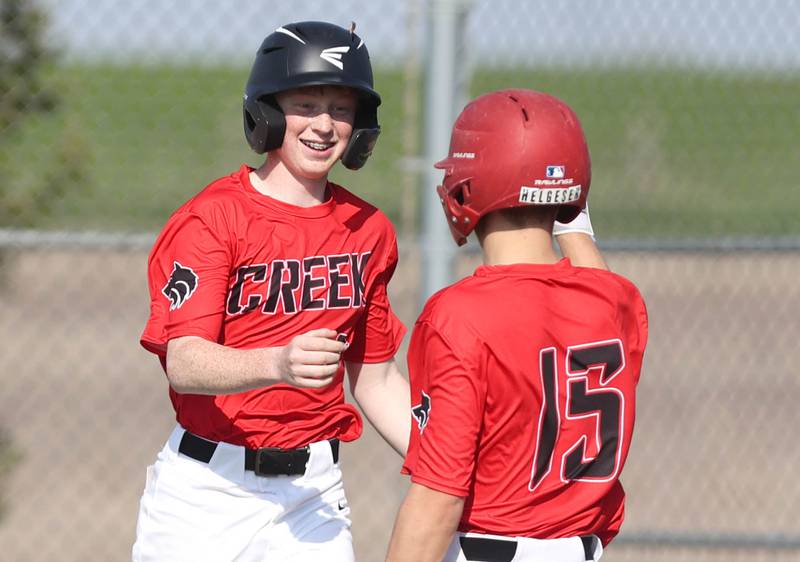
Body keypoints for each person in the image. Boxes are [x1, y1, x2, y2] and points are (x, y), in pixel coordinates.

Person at [133, 21, 410, 562]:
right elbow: (185, 362)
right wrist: (278, 363)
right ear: (267, 113)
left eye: (342, 108)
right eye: (305, 104)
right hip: (207, 494)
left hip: (314, 495)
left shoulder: (369, 230)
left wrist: (446, 467)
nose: (325, 125)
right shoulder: (213, 219)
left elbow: (375, 380)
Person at [385, 89, 649, 562]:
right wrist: (567, 208)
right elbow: (591, 279)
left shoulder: (459, 315)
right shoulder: (618, 301)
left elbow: (440, 498)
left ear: (470, 185)